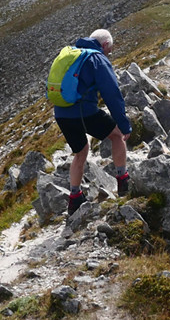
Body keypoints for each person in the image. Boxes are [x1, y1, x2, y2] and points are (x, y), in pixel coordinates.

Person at [53, 28, 131, 215]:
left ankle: (75, 198)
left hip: (61, 112)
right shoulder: (97, 59)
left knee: (80, 151)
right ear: (105, 45)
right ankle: (123, 181)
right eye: (109, 50)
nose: (109, 54)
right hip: (83, 112)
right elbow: (112, 94)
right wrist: (123, 123)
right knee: (117, 135)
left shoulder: (71, 53)